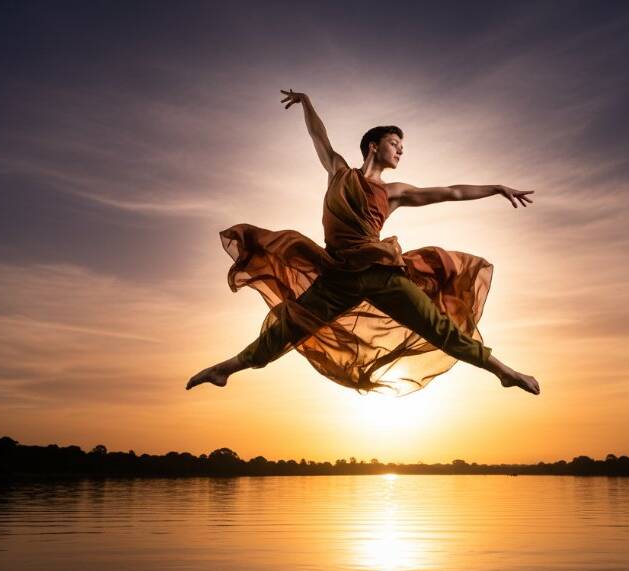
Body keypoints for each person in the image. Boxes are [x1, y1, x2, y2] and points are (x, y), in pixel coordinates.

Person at [186, 89, 540, 396]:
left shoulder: (394, 192)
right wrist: (307, 103)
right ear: (374, 145)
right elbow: (319, 138)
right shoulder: (339, 172)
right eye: (395, 144)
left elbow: (450, 192)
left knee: (439, 327)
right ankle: (224, 370)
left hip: (381, 272)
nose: (400, 151)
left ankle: (504, 373)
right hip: (337, 274)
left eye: (402, 147)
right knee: (288, 329)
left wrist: (495, 188)